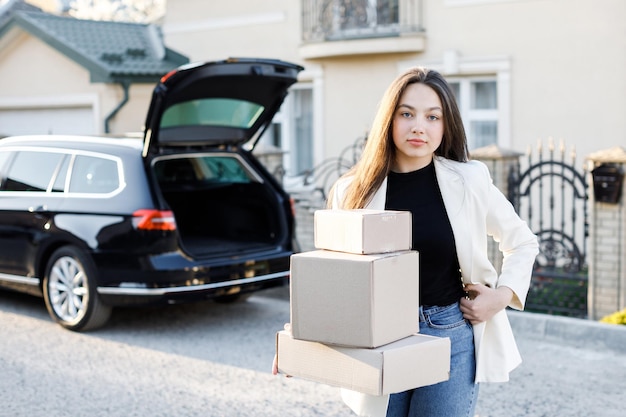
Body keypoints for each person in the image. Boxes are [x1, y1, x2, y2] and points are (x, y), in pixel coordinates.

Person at [324, 66, 539, 417]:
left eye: (432, 116)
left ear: (446, 124)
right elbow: (329, 274)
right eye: (406, 113)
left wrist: (500, 297)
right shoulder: (352, 190)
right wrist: (301, 341)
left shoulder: (468, 180)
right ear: (389, 120)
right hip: (378, 338)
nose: (418, 126)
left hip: (449, 333)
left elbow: (523, 242)